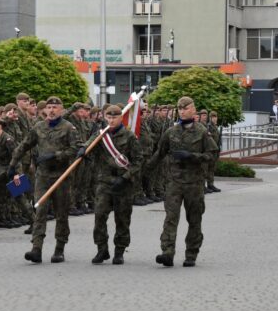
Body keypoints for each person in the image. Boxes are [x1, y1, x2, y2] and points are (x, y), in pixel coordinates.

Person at [9, 97, 81, 264]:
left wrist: (56, 155)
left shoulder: (69, 128)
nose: (51, 110)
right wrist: (13, 163)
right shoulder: (39, 127)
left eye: (55, 107)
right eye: (49, 107)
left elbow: (76, 149)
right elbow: (24, 145)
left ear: (61, 110)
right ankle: (37, 248)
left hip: (61, 176)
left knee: (61, 213)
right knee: (40, 211)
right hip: (43, 176)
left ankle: (59, 248)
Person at [148, 96, 218, 268]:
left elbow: (213, 155)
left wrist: (193, 157)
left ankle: (191, 254)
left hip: (194, 183)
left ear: (193, 109)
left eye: (185, 108)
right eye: (179, 109)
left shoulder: (202, 132)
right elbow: (159, 153)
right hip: (174, 182)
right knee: (171, 217)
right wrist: (143, 171)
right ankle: (167, 252)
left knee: (194, 219)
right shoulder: (171, 132)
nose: (182, 111)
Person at [88, 104, 141, 265]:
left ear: (121, 118)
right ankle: (102, 249)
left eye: (114, 117)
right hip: (104, 182)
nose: (111, 120)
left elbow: (138, 161)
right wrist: (82, 150)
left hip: (123, 184)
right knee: (99, 215)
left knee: (122, 218)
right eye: (108, 117)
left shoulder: (130, 137)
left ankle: (119, 251)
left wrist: (125, 177)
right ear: (105, 117)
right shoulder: (100, 135)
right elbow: (88, 145)